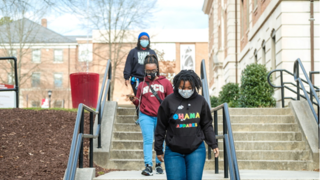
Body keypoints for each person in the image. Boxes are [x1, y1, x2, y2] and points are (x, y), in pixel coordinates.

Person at [154, 70, 219, 180]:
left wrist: (213, 143)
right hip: (173, 151)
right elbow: (161, 126)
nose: (186, 91)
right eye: (182, 88)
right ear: (177, 86)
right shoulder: (168, 101)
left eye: (189, 88)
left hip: (196, 150)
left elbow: (207, 124)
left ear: (194, 86)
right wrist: (158, 149)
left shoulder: (201, 101)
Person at [128, 54, 173, 176]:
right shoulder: (142, 84)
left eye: (153, 70)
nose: (150, 73)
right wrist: (133, 100)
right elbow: (139, 102)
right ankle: (148, 165)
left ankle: (159, 164)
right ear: (144, 70)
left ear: (157, 69)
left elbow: (171, 100)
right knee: (148, 140)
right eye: (148, 71)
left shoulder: (165, 82)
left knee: (161, 139)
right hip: (145, 115)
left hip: (161, 116)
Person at [124, 32, 157, 122]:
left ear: (149, 41)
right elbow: (128, 64)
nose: (144, 40)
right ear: (139, 40)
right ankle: (140, 117)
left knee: (148, 98)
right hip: (136, 79)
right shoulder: (133, 52)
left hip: (149, 79)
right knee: (138, 98)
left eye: (146, 39)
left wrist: (157, 77)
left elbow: (156, 65)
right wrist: (126, 77)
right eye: (142, 38)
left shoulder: (152, 52)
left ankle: (148, 117)